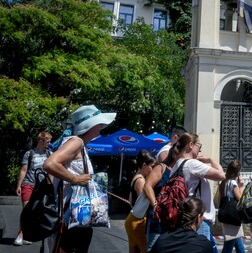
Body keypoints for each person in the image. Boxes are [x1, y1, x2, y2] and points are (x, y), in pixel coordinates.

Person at [43, 104, 116, 253]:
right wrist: (75, 179)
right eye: (99, 123)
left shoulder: (78, 144)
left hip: (72, 219)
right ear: (91, 126)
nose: (102, 126)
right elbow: (50, 164)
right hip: (72, 220)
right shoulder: (76, 142)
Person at [170, 133, 225, 251]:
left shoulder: (175, 167)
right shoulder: (192, 164)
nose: (200, 149)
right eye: (199, 145)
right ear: (190, 145)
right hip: (199, 220)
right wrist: (210, 160)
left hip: (183, 218)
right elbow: (221, 175)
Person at [14, 131, 53, 246]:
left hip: (41, 186)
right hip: (28, 183)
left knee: (36, 212)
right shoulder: (29, 154)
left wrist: (50, 185)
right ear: (41, 141)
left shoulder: (49, 154)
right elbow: (23, 170)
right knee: (26, 210)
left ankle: (27, 234)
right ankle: (21, 234)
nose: (49, 143)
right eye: (47, 141)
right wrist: (19, 185)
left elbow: (51, 171)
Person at [144, 146, 178, 250]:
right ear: (175, 155)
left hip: (172, 219)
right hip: (158, 218)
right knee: (153, 247)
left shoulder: (179, 170)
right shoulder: (161, 168)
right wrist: (155, 204)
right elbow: (147, 186)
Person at [125, 150, 156, 253]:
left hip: (132, 219)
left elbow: (130, 200)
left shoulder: (136, 177)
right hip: (138, 220)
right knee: (144, 250)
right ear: (144, 165)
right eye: (152, 166)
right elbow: (142, 203)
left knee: (133, 250)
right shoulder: (141, 181)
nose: (153, 170)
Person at [218, 160, 246, 253]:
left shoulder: (223, 183)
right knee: (228, 247)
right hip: (233, 218)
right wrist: (241, 186)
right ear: (237, 172)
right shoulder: (233, 183)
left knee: (239, 246)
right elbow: (240, 199)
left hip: (226, 216)